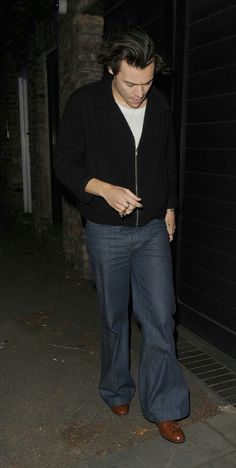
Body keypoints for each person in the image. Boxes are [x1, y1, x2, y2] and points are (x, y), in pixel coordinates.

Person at [55, 27, 189, 444]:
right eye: (131, 83)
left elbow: (168, 161)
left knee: (161, 318)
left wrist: (168, 208)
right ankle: (116, 387)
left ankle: (165, 406)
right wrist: (104, 189)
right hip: (106, 231)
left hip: (150, 229)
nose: (139, 92)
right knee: (114, 317)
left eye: (148, 82)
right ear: (113, 68)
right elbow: (65, 163)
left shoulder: (160, 106)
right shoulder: (85, 105)